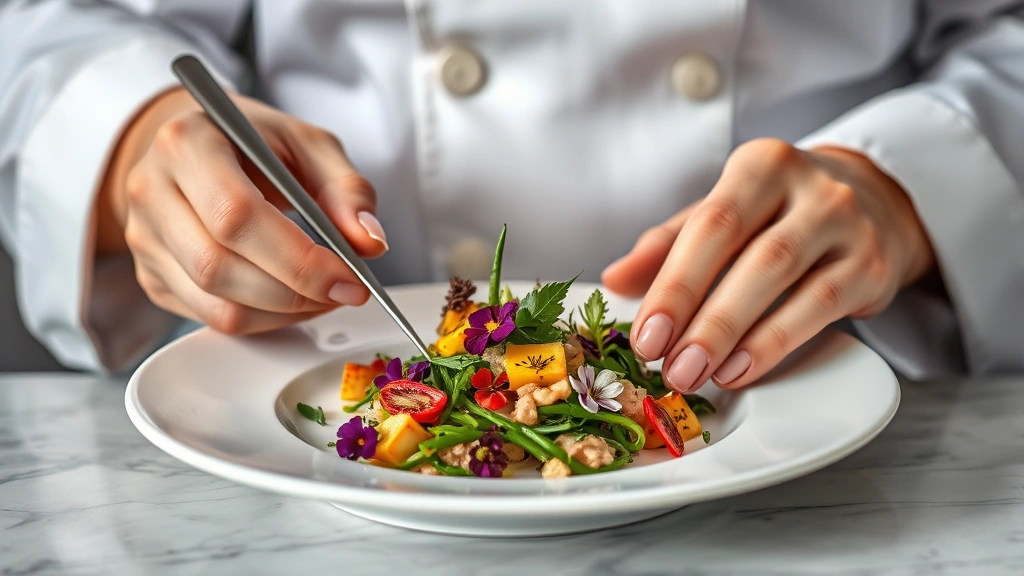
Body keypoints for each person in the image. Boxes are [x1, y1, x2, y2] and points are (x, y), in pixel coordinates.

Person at [1, 2, 1022, 389]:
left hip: (820, 387)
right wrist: (136, 136)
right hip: (302, 392)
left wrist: (905, 183)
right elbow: (59, 28)